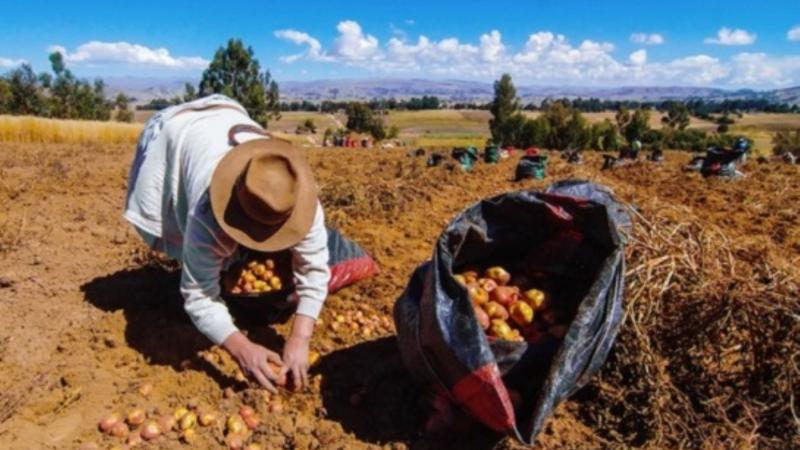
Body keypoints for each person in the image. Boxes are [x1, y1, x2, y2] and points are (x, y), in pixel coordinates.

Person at [123, 95, 330, 393]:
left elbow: (314, 269)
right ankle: (209, 264)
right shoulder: (206, 214)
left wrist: (300, 337)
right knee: (199, 263)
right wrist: (242, 349)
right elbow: (198, 294)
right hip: (180, 132)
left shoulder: (298, 200)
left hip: (228, 114)